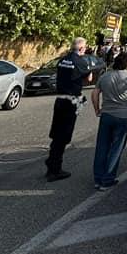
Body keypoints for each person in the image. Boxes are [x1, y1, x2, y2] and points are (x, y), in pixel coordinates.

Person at [91, 51, 127, 190]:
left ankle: (98, 178)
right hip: (123, 117)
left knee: (102, 146)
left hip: (106, 116)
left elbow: (95, 93)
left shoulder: (105, 76)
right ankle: (107, 179)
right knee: (116, 148)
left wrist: (97, 109)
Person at [44, 37, 93, 182]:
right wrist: (89, 68)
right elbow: (89, 79)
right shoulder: (80, 62)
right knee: (64, 135)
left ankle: (52, 160)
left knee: (56, 133)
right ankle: (54, 168)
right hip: (71, 101)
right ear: (82, 48)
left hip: (59, 99)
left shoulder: (62, 60)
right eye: (85, 47)